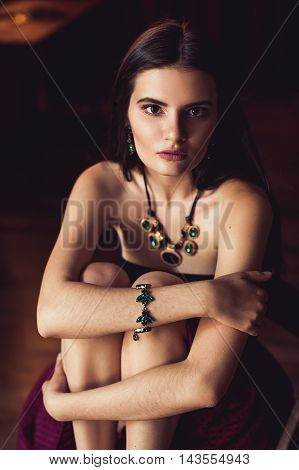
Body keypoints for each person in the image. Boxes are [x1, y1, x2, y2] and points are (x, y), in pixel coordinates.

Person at [17, 18, 294, 450]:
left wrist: (69, 407)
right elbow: (50, 315)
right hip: (106, 380)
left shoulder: (242, 204)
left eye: (196, 111)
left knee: (150, 283)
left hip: (200, 388)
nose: (174, 134)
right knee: (94, 280)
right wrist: (205, 296)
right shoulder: (102, 183)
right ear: (126, 115)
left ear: (220, 116)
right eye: (153, 108)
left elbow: (203, 385)